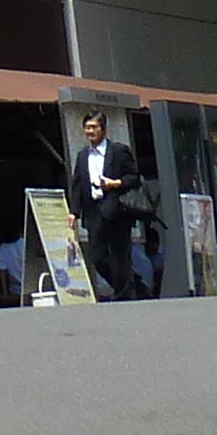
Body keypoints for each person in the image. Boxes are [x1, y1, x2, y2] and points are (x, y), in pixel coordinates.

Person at [72, 110, 153, 302]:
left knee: (119, 255)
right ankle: (134, 285)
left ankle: (123, 295)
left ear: (103, 129)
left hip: (117, 208)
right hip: (93, 211)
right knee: (97, 257)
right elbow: (77, 185)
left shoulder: (118, 151)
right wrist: (74, 212)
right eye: (87, 127)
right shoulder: (83, 155)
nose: (90, 131)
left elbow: (133, 177)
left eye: (94, 127)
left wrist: (115, 183)